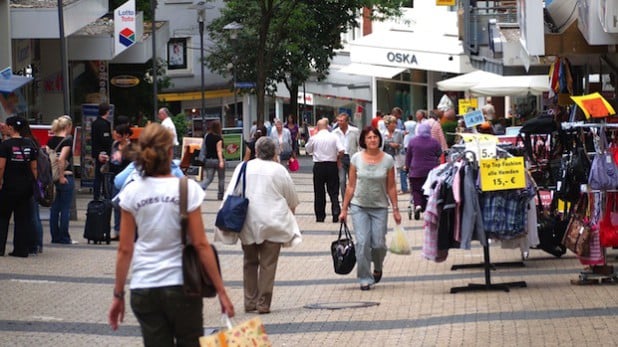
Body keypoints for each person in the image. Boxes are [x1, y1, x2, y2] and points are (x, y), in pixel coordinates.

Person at [108, 123, 234, 345]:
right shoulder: (187, 189)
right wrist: (221, 291)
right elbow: (201, 245)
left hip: (144, 287)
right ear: (169, 153)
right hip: (182, 286)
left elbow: (125, 249)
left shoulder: (132, 192)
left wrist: (118, 295)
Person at [215, 137, 302, 314]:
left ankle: (249, 301)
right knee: (268, 265)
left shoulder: (243, 167)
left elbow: (231, 193)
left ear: (255, 151)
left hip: (248, 222)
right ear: (275, 152)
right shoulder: (279, 170)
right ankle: (263, 303)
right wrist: (291, 213)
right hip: (274, 223)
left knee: (249, 262)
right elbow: (292, 198)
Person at [339, 126, 401, 291]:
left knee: (379, 243)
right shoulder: (356, 159)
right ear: (364, 141)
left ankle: (378, 266)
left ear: (379, 139)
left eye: (375, 137)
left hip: (379, 207)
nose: (372, 140)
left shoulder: (387, 160)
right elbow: (350, 186)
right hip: (359, 206)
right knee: (363, 242)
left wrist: (395, 209)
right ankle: (365, 277)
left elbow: (391, 187)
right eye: (369, 137)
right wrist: (344, 209)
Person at [0, 116, 38, 257]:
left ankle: (0, 248)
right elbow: (34, 167)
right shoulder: (29, 144)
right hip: (26, 187)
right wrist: (33, 183)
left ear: (10, 128)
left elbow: (1, 167)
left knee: (3, 218)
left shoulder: (5, 145)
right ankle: (21, 250)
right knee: (22, 219)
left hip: (9, 186)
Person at [305, 118, 344, 223]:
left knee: (319, 191)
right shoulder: (334, 137)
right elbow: (341, 150)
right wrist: (338, 158)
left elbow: (308, 150)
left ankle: (320, 216)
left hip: (319, 165)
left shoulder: (314, 138)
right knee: (334, 191)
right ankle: (336, 212)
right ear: (327, 126)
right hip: (332, 165)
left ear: (317, 127)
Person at [48, 115, 76, 245]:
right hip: (64, 176)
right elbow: (61, 159)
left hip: (52, 178)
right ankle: (64, 237)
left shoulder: (51, 141)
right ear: (67, 126)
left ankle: (55, 236)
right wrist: (61, 177)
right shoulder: (67, 141)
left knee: (55, 208)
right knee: (65, 208)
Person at [404, 123, 442, 220]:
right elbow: (439, 153)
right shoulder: (434, 142)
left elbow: (408, 157)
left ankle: (418, 206)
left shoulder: (412, 142)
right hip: (431, 172)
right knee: (429, 190)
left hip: (415, 171)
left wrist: (407, 167)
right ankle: (426, 208)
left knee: (416, 190)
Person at [18, 119, 44, 255]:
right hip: (34, 181)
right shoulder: (34, 140)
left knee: (31, 214)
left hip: (29, 181)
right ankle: (37, 243)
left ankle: (34, 245)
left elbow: (33, 165)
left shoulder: (26, 143)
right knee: (35, 214)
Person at [108, 124, 135, 241]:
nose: (117, 136)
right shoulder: (114, 144)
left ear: (126, 135)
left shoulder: (132, 147)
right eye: (117, 134)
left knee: (127, 206)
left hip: (126, 180)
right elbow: (111, 159)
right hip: (114, 178)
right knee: (116, 205)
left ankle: (127, 231)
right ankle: (117, 231)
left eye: (120, 134)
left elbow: (133, 165)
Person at [332, 113, 359, 199]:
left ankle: (354, 199)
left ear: (347, 122)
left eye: (342, 121)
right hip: (341, 158)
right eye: (338, 121)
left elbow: (360, 145)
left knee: (353, 181)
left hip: (352, 158)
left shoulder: (355, 131)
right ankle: (345, 201)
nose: (339, 122)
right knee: (342, 181)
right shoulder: (334, 132)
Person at [199, 120, 225, 200]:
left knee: (208, 178)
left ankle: (199, 189)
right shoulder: (218, 138)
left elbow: (204, 148)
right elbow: (219, 151)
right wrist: (221, 161)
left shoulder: (207, 136)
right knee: (221, 179)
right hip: (217, 160)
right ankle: (220, 195)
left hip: (208, 160)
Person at [92, 102, 113, 201]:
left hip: (97, 153)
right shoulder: (104, 124)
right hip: (104, 154)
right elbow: (106, 140)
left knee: (98, 176)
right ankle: (105, 195)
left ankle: (96, 196)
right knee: (104, 176)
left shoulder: (95, 123)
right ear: (107, 112)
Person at [381, 115, 406, 194]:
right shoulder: (382, 133)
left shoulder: (398, 133)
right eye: (393, 123)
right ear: (388, 124)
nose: (394, 125)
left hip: (396, 156)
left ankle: (393, 190)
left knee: (394, 175)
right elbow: (380, 146)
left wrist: (397, 145)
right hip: (385, 157)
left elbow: (402, 145)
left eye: (395, 123)